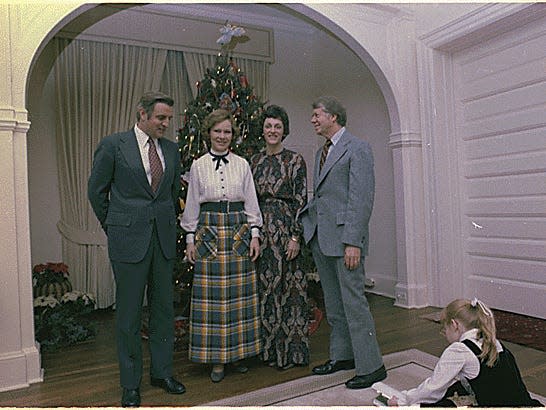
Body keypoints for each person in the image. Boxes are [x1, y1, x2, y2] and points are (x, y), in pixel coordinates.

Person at [88, 92, 186, 407]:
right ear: (142, 114)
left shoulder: (171, 150)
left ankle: (162, 373)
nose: (166, 124)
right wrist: (115, 226)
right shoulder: (113, 145)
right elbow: (96, 192)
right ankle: (130, 384)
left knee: (163, 311)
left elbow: (170, 196)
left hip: (163, 242)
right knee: (129, 315)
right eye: (161, 118)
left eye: (169, 118)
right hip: (127, 241)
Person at [299, 96, 386, 389]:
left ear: (333, 116)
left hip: (346, 241)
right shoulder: (320, 153)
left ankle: (372, 366)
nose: (313, 120)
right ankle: (343, 356)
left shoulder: (357, 148)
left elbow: (361, 199)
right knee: (335, 305)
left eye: (316, 115)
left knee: (354, 304)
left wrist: (353, 242)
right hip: (323, 239)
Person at [180, 108, 263, 383]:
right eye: (218, 131)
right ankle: (216, 360)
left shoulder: (242, 164)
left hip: (238, 231)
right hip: (209, 234)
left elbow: (251, 202)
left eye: (227, 132)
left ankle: (238, 354)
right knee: (213, 301)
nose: (222, 136)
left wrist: (254, 234)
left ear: (233, 135)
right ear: (209, 133)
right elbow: (191, 205)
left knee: (238, 299)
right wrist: (190, 239)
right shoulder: (198, 165)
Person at [388, 298, 542, 407]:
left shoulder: (458, 350)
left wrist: (403, 400)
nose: (444, 333)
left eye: (444, 328)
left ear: (454, 325)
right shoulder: (493, 341)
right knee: (455, 389)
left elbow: (433, 389)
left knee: (439, 401)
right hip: (525, 404)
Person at [250, 105, 309, 370]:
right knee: (265, 290)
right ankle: (266, 351)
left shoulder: (295, 160)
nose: (272, 131)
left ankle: (291, 353)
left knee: (290, 290)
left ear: (284, 130)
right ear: (262, 130)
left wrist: (296, 237)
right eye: (268, 126)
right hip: (261, 232)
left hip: (287, 231)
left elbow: (301, 200)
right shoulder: (254, 161)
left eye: (277, 126)